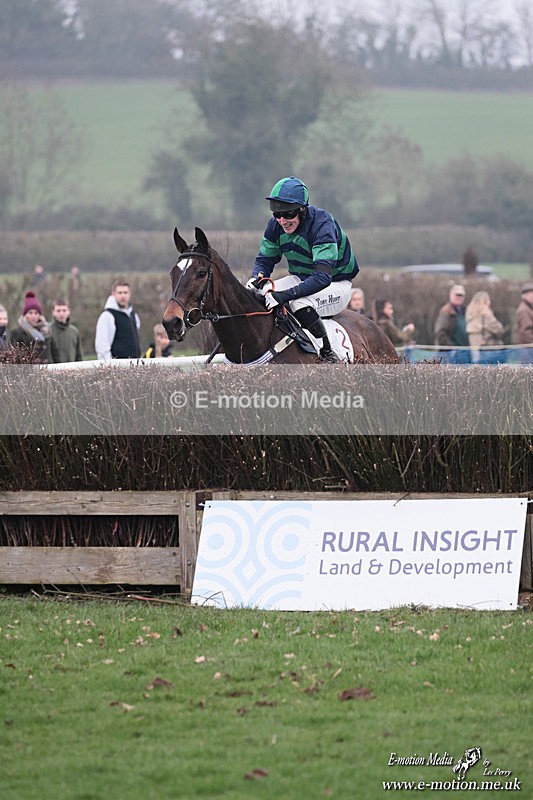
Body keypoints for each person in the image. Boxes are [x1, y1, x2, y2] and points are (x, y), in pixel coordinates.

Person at [246, 176, 359, 362]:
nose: (282, 220)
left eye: (288, 214)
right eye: (277, 214)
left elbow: (323, 277)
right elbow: (265, 260)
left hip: (336, 283)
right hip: (302, 278)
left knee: (298, 303)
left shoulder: (322, 225)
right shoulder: (275, 225)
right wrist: (257, 277)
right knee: (263, 293)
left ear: (302, 209)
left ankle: (328, 353)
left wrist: (284, 296)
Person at [95, 280, 141, 360]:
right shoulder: (107, 316)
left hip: (134, 366)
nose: (123, 296)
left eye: (125, 292)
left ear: (130, 294)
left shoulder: (133, 315)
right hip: (117, 368)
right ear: (113, 294)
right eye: (120, 293)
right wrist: (109, 367)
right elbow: (102, 346)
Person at [8, 291, 57, 362]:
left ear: (39, 315)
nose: (33, 316)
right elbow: (13, 354)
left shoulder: (47, 330)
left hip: (49, 368)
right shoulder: (16, 333)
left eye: (36, 313)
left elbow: (54, 352)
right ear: (25, 315)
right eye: (30, 313)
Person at [465, 291, 504, 364]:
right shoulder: (486, 316)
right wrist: (490, 315)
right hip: (489, 352)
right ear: (485, 302)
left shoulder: (470, 316)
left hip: (475, 353)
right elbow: (499, 330)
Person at [434, 284, 470, 363]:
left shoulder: (466, 312)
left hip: (464, 353)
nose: (459, 297)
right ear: (451, 295)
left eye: (461, 295)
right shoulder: (446, 312)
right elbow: (440, 333)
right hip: (449, 355)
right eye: (457, 295)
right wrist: (452, 347)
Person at [50, 299, 84, 363]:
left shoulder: (74, 332)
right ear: (53, 312)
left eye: (64, 310)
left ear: (69, 311)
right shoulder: (47, 331)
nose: (61, 313)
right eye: (58, 311)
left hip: (72, 370)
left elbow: (79, 356)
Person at [513, 282, 533, 365]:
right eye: (531, 294)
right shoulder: (524, 310)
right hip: (528, 350)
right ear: (524, 296)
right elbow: (525, 331)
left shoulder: (528, 308)